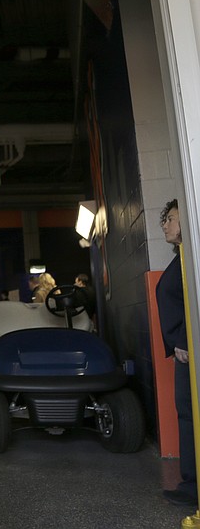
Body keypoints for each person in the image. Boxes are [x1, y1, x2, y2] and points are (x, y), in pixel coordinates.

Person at [156, 199, 197, 507]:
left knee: (190, 412)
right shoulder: (183, 256)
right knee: (186, 412)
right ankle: (192, 482)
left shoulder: (193, 257)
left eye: (170, 218)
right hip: (184, 348)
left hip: (189, 347)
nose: (165, 225)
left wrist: (183, 338)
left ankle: (193, 484)